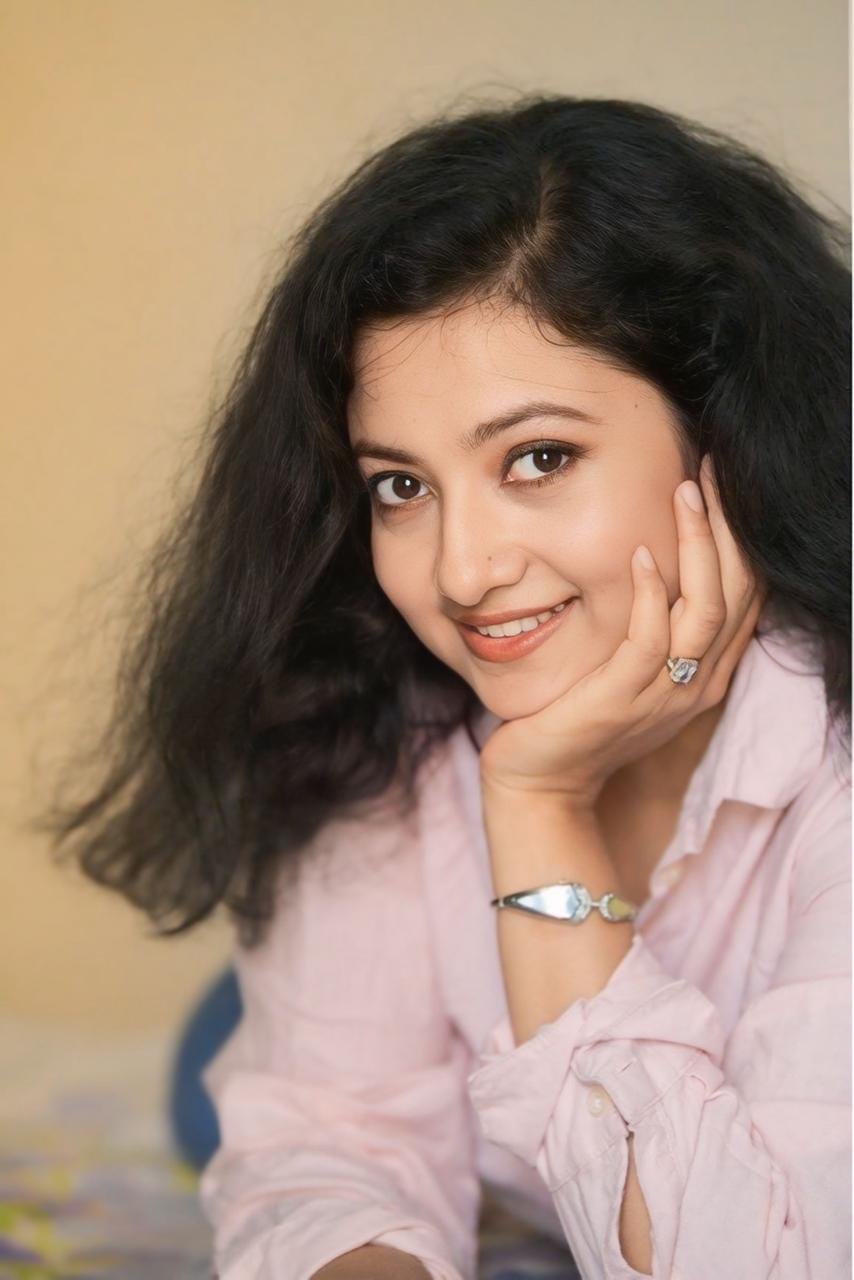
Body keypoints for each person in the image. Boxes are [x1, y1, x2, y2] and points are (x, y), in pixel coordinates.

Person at [43, 94, 850, 1279]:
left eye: (537, 457)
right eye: (400, 486)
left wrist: (536, 801)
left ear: (726, 443)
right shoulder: (388, 719)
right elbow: (329, 1150)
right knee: (221, 1091)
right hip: (431, 1029)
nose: (461, 573)